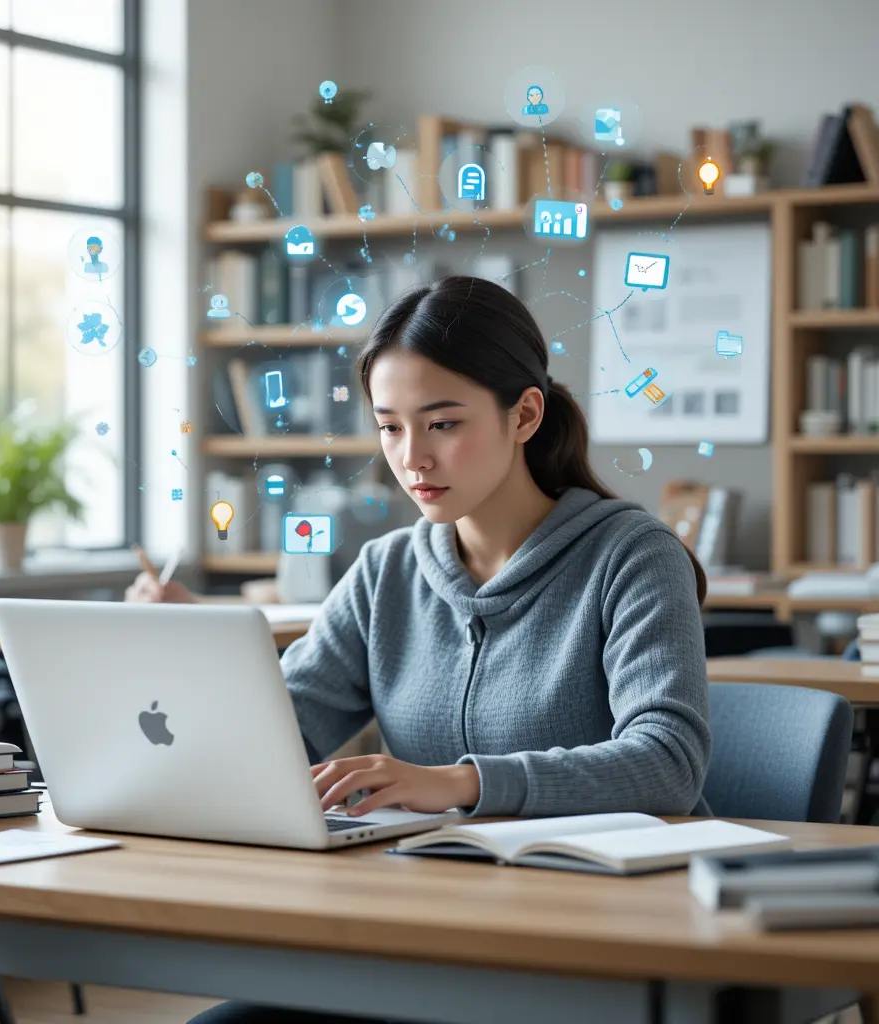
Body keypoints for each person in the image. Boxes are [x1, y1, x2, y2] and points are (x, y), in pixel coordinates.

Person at [126, 276, 712, 1024]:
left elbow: (668, 762)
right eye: (391, 427)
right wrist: (180, 668)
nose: (413, 459)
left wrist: (460, 783)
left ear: (524, 414)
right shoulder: (388, 570)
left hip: (600, 939)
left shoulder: (631, 556)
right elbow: (277, 727)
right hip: (426, 930)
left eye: (442, 424)